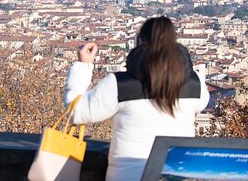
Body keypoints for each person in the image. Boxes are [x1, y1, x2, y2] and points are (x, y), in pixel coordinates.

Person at [64, 16, 209, 181]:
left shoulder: (120, 84)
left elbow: (76, 113)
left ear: (140, 41)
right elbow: (201, 104)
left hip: (129, 175)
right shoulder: (194, 83)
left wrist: (83, 66)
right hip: (176, 173)